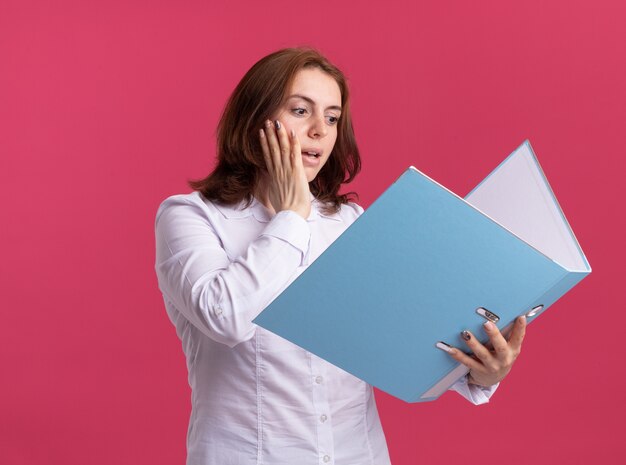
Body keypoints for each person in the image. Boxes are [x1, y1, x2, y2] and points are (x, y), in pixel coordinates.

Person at [154, 47, 526, 465]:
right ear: (255, 118)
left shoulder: (349, 221)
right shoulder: (190, 216)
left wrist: (480, 372)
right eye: (300, 110)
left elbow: (399, 332)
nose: (319, 130)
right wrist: (291, 218)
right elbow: (227, 318)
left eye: (331, 118)